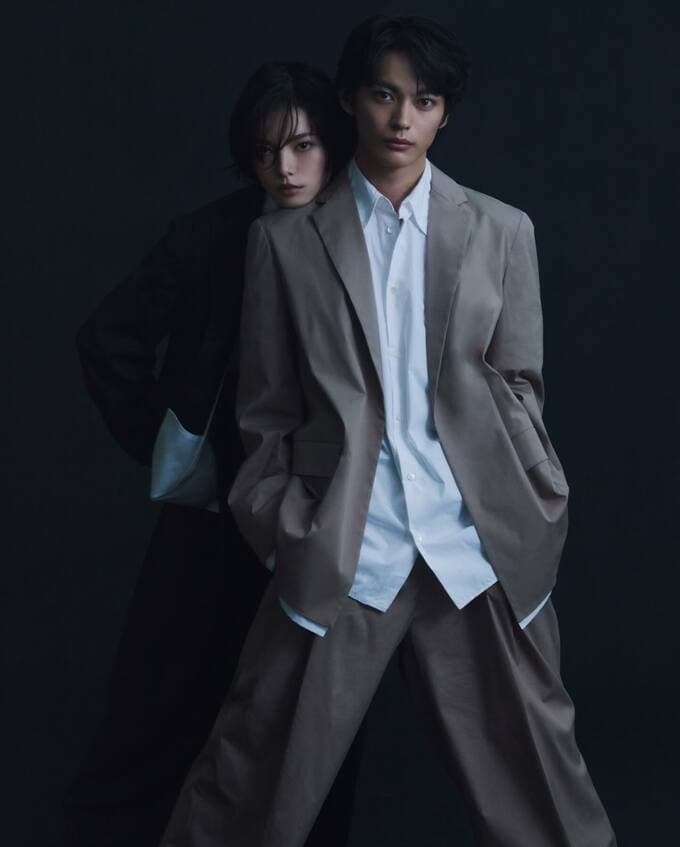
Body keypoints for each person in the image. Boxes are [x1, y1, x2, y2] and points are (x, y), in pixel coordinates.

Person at [160, 15, 617, 847]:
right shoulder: (284, 241)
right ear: (350, 100)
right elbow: (265, 410)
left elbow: (522, 384)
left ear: (446, 113)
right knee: (250, 778)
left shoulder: (502, 230)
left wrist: (533, 497)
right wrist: (284, 529)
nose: (403, 118)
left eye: (425, 100)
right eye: (384, 94)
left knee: (543, 792)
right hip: (343, 541)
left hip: (474, 545)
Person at [63, 62, 360, 847]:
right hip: (220, 510)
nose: (284, 168)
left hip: (324, 512)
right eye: (265, 151)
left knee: (313, 710)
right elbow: (107, 340)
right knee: (162, 697)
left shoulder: (369, 236)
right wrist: (177, 451)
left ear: (334, 145)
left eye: (303, 146)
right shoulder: (209, 235)